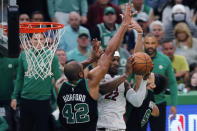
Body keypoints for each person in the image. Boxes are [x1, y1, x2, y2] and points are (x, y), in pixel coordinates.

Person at [57, 3, 136, 131]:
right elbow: (110, 52)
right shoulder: (90, 84)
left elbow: (70, 70)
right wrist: (124, 25)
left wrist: (90, 60)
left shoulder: (59, 85)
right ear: (81, 74)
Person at [10, 33, 62, 131]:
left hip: (43, 100)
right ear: (30, 40)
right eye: (35, 39)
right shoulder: (24, 55)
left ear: (45, 40)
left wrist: (61, 100)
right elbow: (19, 78)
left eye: (41, 39)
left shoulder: (52, 56)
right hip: (26, 100)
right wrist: (14, 97)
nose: (38, 42)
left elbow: (59, 80)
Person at [143, 34, 177, 131]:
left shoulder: (165, 60)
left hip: (159, 103)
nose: (150, 46)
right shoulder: (137, 59)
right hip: (140, 104)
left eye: (153, 43)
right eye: (147, 43)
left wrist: (174, 105)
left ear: (157, 44)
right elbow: (129, 80)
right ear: (143, 44)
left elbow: (172, 83)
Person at [0, 52, 18, 131]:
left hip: (10, 101)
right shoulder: (11, 61)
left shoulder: (11, 61)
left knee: (11, 122)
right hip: (5, 102)